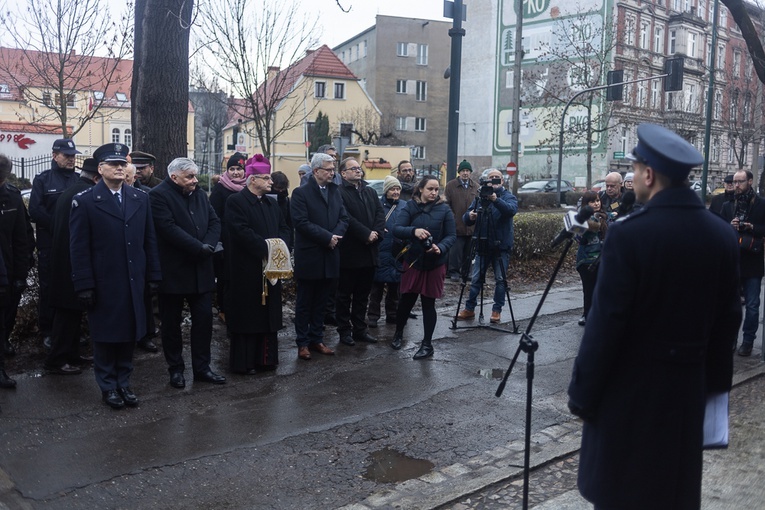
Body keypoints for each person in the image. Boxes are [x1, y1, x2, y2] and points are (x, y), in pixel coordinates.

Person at [567, 123, 741, 510]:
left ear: (648, 174)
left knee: (624, 495)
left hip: (630, 398)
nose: (631, 176)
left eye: (633, 167)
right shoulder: (721, 235)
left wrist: (582, 394)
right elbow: (729, 320)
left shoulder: (630, 235)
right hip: (686, 395)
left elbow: (606, 324)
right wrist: (711, 388)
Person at [69, 143, 162, 409]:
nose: (120, 168)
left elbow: (149, 240)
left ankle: (124, 382)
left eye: (123, 164)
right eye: (113, 164)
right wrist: (84, 283)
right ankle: (108, 386)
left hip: (134, 279)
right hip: (104, 281)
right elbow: (78, 247)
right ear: (101, 169)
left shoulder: (140, 198)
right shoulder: (85, 201)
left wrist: (153, 274)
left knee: (129, 334)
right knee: (106, 336)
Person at [150, 158, 225, 388]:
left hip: (201, 270)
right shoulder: (158, 196)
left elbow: (214, 222)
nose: (195, 180)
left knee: (203, 321)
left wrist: (209, 246)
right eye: (190, 177)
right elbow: (168, 229)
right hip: (174, 272)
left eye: (195, 176)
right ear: (174, 177)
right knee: (171, 324)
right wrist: (197, 248)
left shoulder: (200, 194)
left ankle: (202, 368)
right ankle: (176, 369)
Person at [224, 157, 291, 374]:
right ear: (252, 180)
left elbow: (284, 227)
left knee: (268, 314)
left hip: (270, 267)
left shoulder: (271, 202)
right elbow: (240, 230)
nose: (270, 181)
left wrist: (280, 246)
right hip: (247, 268)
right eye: (266, 178)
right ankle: (245, 363)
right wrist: (266, 248)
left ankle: (265, 359)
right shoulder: (235, 201)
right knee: (248, 315)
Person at [290, 152, 348, 360]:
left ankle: (317, 338)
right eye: (329, 169)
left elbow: (344, 217)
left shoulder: (335, 191)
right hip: (311, 255)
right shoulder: (301, 193)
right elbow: (301, 222)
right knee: (305, 301)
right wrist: (327, 237)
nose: (333, 173)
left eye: (333, 169)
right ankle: (303, 342)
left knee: (322, 301)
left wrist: (336, 236)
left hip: (331, 254)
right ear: (316, 171)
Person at [390, 175, 456, 359]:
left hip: (435, 263)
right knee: (406, 301)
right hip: (413, 261)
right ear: (421, 189)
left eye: (436, 189)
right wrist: (414, 231)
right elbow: (397, 228)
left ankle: (427, 344)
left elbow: (451, 236)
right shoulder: (410, 206)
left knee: (429, 304)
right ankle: (398, 334)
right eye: (430, 189)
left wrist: (440, 247)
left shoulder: (444, 210)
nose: (434, 193)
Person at [46, 158, 101, 375]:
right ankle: (57, 360)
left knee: (71, 315)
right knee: (66, 316)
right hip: (71, 264)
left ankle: (71, 354)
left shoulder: (70, 192)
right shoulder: (84, 196)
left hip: (63, 262)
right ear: (96, 177)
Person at [29, 138, 81, 348]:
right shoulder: (43, 180)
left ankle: (72, 331)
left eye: (73, 156)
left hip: (74, 244)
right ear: (54, 155)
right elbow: (35, 210)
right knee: (49, 287)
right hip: (50, 244)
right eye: (66, 155)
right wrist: (59, 227)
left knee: (74, 286)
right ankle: (48, 330)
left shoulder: (78, 180)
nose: (71, 159)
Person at [456, 169, 518, 324]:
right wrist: (469, 216)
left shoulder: (508, 196)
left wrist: (495, 199)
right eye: (491, 178)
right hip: (482, 244)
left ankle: (496, 310)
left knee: (500, 279)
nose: (494, 180)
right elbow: (466, 217)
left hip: (501, 245)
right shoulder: (479, 197)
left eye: (498, 178)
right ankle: (469, 309)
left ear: (502, 181)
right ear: (486, 181)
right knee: (476, 278)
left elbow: (511, 210)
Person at [335, 157, 385, 346]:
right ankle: (344, 331)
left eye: (359, 168)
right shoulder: (339, 193)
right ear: (343, 173)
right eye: (353, 168)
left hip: (370, 252)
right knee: (344, 295)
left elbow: (380, 214)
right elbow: (346, 218)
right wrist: (366, 234)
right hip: (350, 252)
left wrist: (377, 233)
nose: (358, 170)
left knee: (363, 295)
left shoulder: (370, 191)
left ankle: (360, 329)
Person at [721, 169, 765, 357]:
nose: (737, 185)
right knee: (731, 305)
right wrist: (728, 226)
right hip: (733, 261)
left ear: (750, 181)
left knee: (753, 305)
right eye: (735, 181)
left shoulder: (761, 204)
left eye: (740, 181)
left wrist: (751, 227)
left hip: (753, 261)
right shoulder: (727, 204)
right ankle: (730, 339)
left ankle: (747, 341)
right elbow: (719, 229)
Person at [0, 155, 31, 387]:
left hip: (8, 272)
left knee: (4, 319)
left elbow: (23, 237)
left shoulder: (11, 196)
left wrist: (21, 273)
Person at [209, 153, 247, 323]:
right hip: (225, 238)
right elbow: (214, 216)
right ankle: (223, 308)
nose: (235, 172)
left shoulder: (248, 187)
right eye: (231, 169)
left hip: (242, 238)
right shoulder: (220, 188)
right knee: (225, 275)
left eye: (239, 169)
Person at [368, 176, 405, 328]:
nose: (395, 192)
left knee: (395, 287)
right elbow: (371, 221)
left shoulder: (405, 206)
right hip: (381, 250)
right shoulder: (378, 205)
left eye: (397, 189)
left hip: (397, 251)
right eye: (392, 189)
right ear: (386, 190)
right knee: (376, 287)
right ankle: (373, 316)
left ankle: (393, 314)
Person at [572, 191, 607, 327]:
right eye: (592, 201)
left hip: (603, 258)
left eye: (598, 200)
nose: (596, 203)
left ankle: (600, 314)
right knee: (589, 289)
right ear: (586, 204)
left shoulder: (606, 216)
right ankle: (587, 315)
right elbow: (577, 237)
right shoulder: (580, 219)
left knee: (602, 288)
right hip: (586, 260)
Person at [444, 160, 477, 282]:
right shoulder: (451, 185)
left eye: (467, 171)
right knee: (455, 251)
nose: (465, 173)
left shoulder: (476, 187)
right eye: (463, 171)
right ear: (459, 172)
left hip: (471, 226)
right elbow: (446, 204)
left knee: (469, 251)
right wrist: (452, 217)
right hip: (456, 225)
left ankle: (467, 272)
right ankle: (453, 272)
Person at [270, 171, 293, 248]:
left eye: (282, 188)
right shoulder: (265, 199)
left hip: (283, 239)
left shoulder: (286, 201)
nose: (280, 191)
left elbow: (289, 223)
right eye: (278, 188)